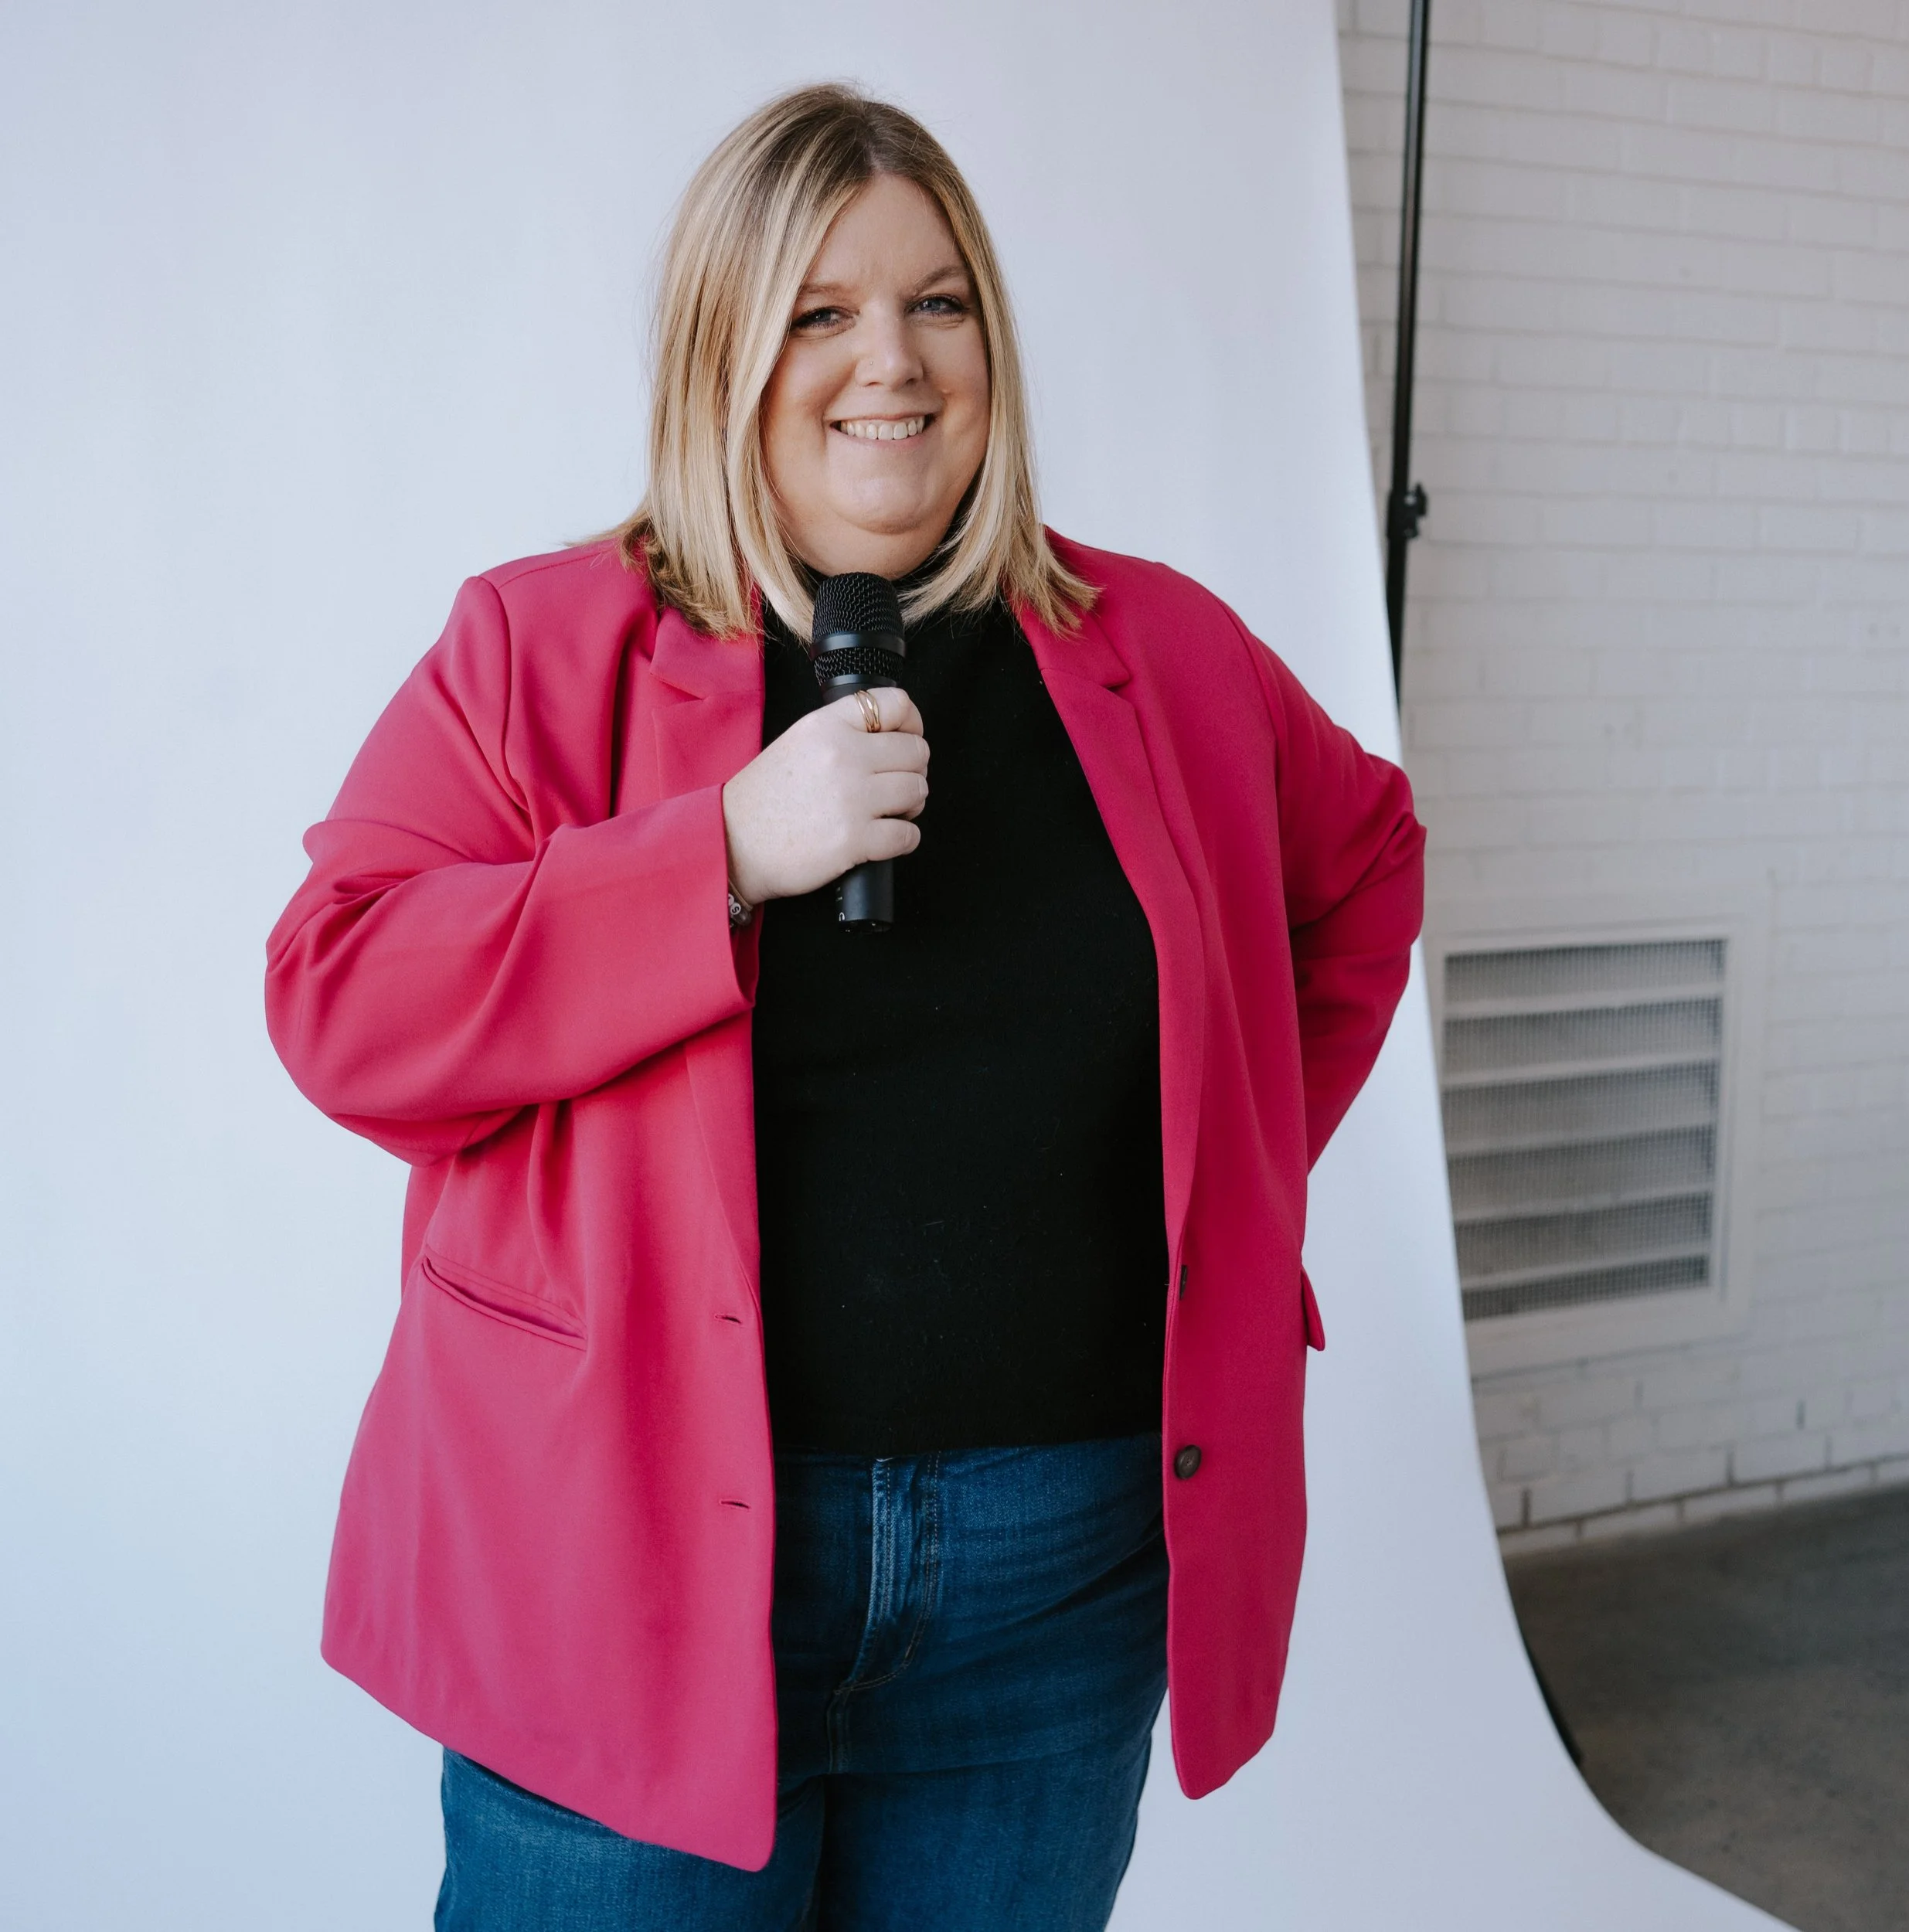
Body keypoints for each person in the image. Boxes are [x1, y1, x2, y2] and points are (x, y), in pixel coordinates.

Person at [266, 83, 1424, 1932]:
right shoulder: (537, 648)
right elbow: (337, 991)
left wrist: (1235, 1177)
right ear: (725, 346)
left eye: (937, 301)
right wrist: (712, 851)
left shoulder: (1164, 652)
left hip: (1052, 1584)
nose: (888, 361)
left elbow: (1362, 865)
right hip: (619, 1566)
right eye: (819, 310)